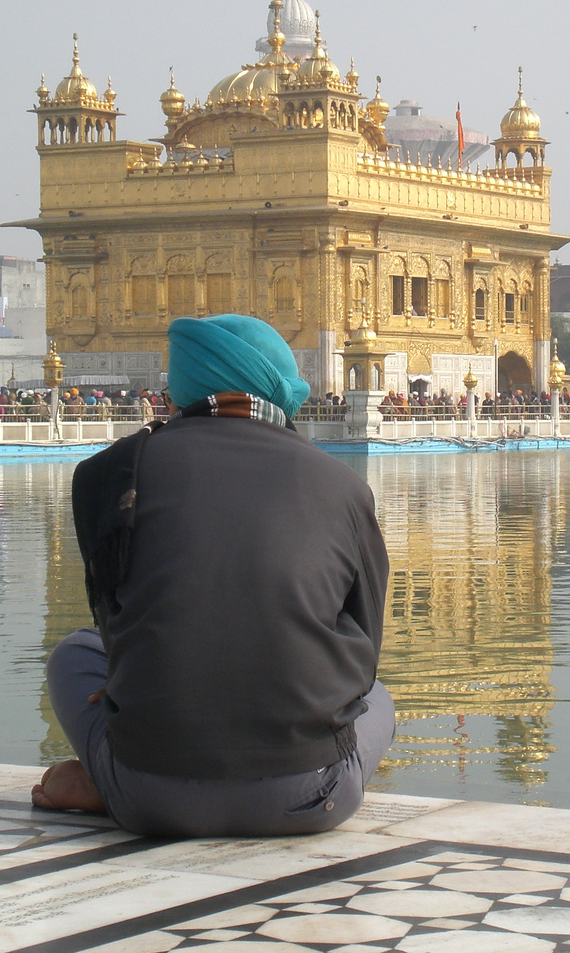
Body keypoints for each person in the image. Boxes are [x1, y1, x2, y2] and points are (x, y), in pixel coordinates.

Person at [34, 314, 394, 838]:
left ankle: (108, 780)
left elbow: (111, 620)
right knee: (379, 696)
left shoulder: (108, 474)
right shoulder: (340, 484)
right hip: (312, 796)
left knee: (75, 654)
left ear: (180, 384)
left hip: (148, 795)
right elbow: (365, 650)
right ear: (281, 388)